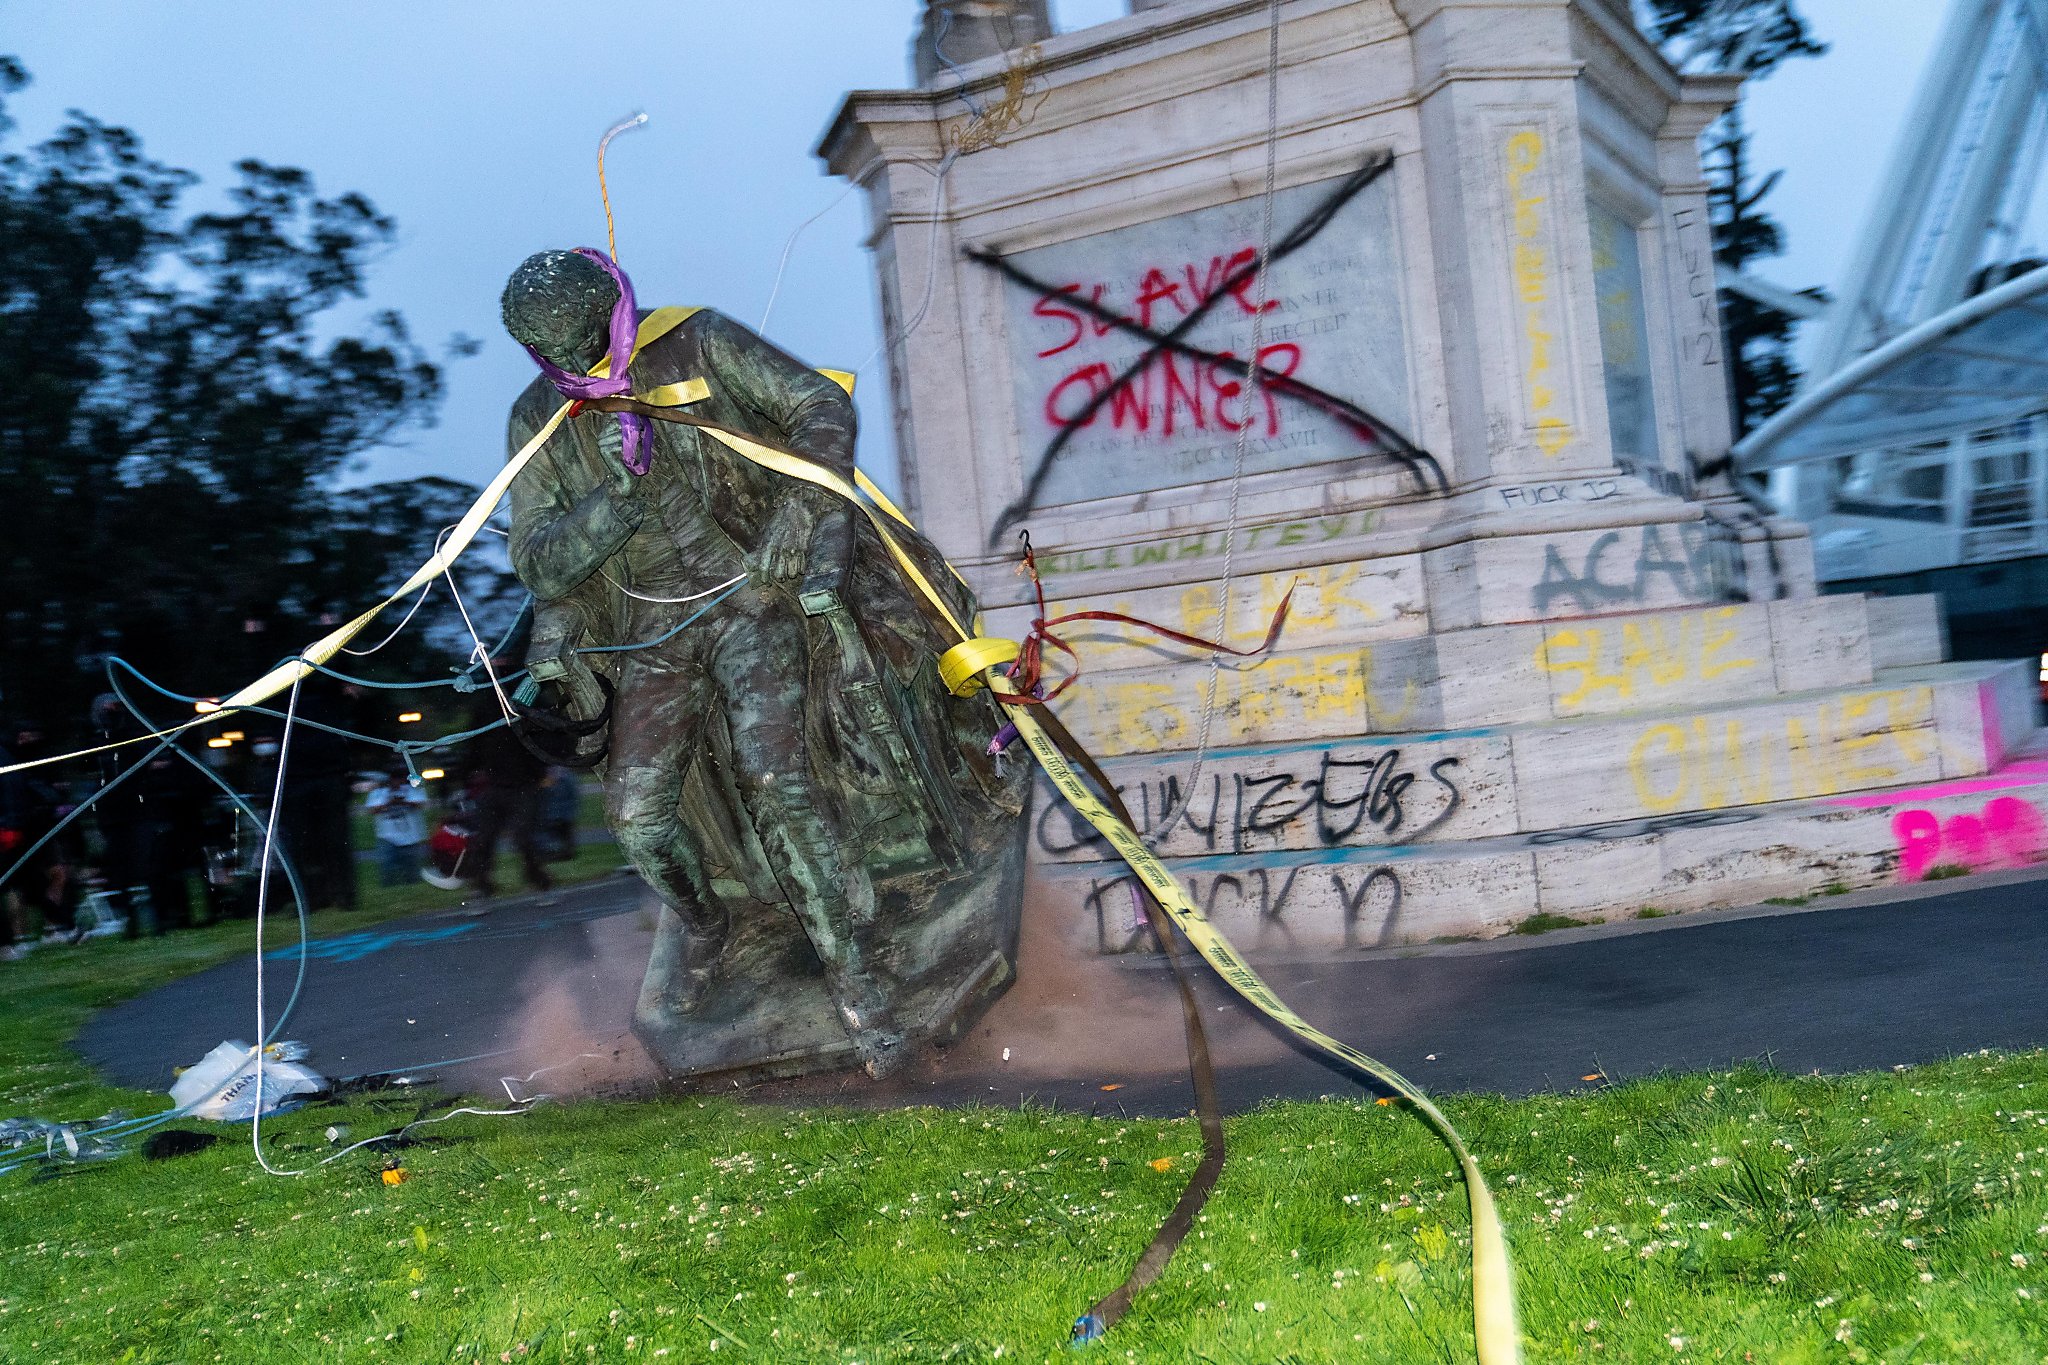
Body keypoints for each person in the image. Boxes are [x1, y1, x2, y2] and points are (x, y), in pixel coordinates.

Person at [499, 248, 1012, 1076]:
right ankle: (706, 924)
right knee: (637, 817)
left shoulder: (695, 343)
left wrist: (795, 517)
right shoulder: (538, 420)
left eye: (578, 343)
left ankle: (856, 979)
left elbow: (818, 406)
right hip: (654, 635)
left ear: (608, 309)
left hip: (752, 601)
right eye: (549, 354)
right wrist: (614, 504)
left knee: (775, 778)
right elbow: (541, 561)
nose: (568, 364)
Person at [462, 706, 554, 901]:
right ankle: (482, 884)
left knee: (523, 835)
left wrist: (540, 772)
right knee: (484, 836)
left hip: (523, 784)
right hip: (495, 784)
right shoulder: (485, 712)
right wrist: (468, 773)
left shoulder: (522, 708)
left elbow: (539, 740)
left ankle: (537, 879)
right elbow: (474, 745)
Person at [363, 765, 429, 887]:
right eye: (394, 778)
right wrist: (389, 802)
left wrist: (404, 801)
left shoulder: (412, 790)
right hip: (387, 837)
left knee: (412, 872)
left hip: (410, 837)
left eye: (400, 778)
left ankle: (412, 889)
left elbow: (421, 804)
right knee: (386, 869)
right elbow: (372, 810)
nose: (397, 782)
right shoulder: (378, 793)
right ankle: (389, 889)